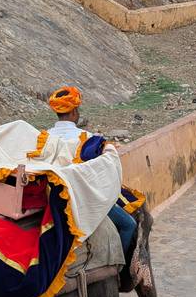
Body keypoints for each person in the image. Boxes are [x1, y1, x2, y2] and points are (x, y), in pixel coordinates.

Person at [47, 85, 137, 259]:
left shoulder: (43, 138)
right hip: (81, 199)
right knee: (129, 225)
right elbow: (102, 171)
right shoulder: (89, 140)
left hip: (52, 197)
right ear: (74, 112)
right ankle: (120, 269)